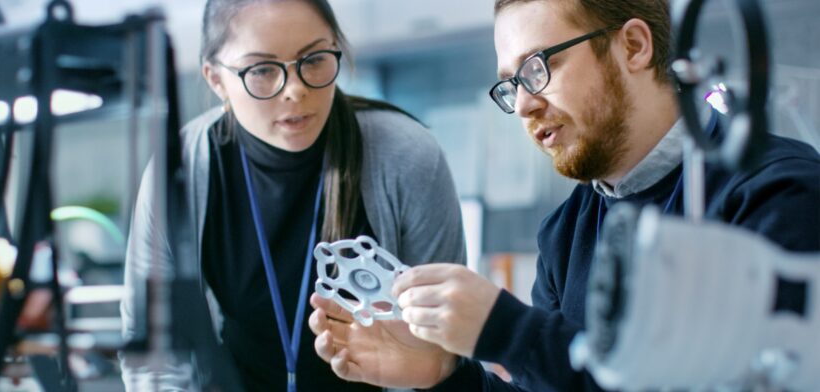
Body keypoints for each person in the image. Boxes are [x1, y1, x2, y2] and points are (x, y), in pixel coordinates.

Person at [309, 0, 820, 390]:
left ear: (634, 47)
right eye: (511, 84)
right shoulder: (566, 232)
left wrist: (510, 331)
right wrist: (446, 375)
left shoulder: (777, 193)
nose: (525, 105)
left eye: (537, 67)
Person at [119, 0, 466, 390]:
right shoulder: (180, 170)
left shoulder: (406, 156)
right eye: (263, 70)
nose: (296, 90)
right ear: (216, 80)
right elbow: (155, 350)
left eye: (314, 59)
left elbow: (440, 346)